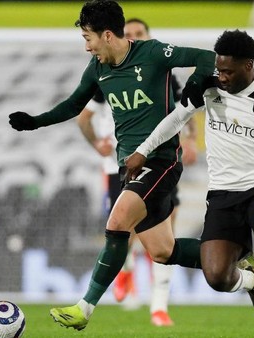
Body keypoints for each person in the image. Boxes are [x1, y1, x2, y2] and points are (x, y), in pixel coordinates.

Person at [9, 1, 254, 331]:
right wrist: (35, 122)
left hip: (161, 160)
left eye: (88, 38)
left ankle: (84, 307)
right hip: (129, 167)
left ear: (107, 35)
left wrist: (196, 83)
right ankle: (247, 272)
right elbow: (74, 105)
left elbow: (207, 58)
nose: (86, 45)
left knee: (118, 222)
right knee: (163, 251)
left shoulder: (152, 53)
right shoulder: (97, 68)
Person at [125, 29, 254, 338]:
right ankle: (252, 281)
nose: (220, 75)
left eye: (227, 71)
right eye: (218, 69)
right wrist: (142, 150)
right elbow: (177, 119)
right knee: (217, 277)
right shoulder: (208, 87)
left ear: (248, 65)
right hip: (222, 193)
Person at [76, 17, 198, 327]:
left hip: (161, 161)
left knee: (163, 235)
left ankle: (158, 305)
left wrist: (192, 140)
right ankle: (126, 272)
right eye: (127, 34)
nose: (131, 38)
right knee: (123, 228)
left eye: (137, 34)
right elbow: (83, 117)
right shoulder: (107, 74)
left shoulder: (160, 70)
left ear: (147, 37)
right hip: (121, 166)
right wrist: (98, 145)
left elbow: (186, 105)